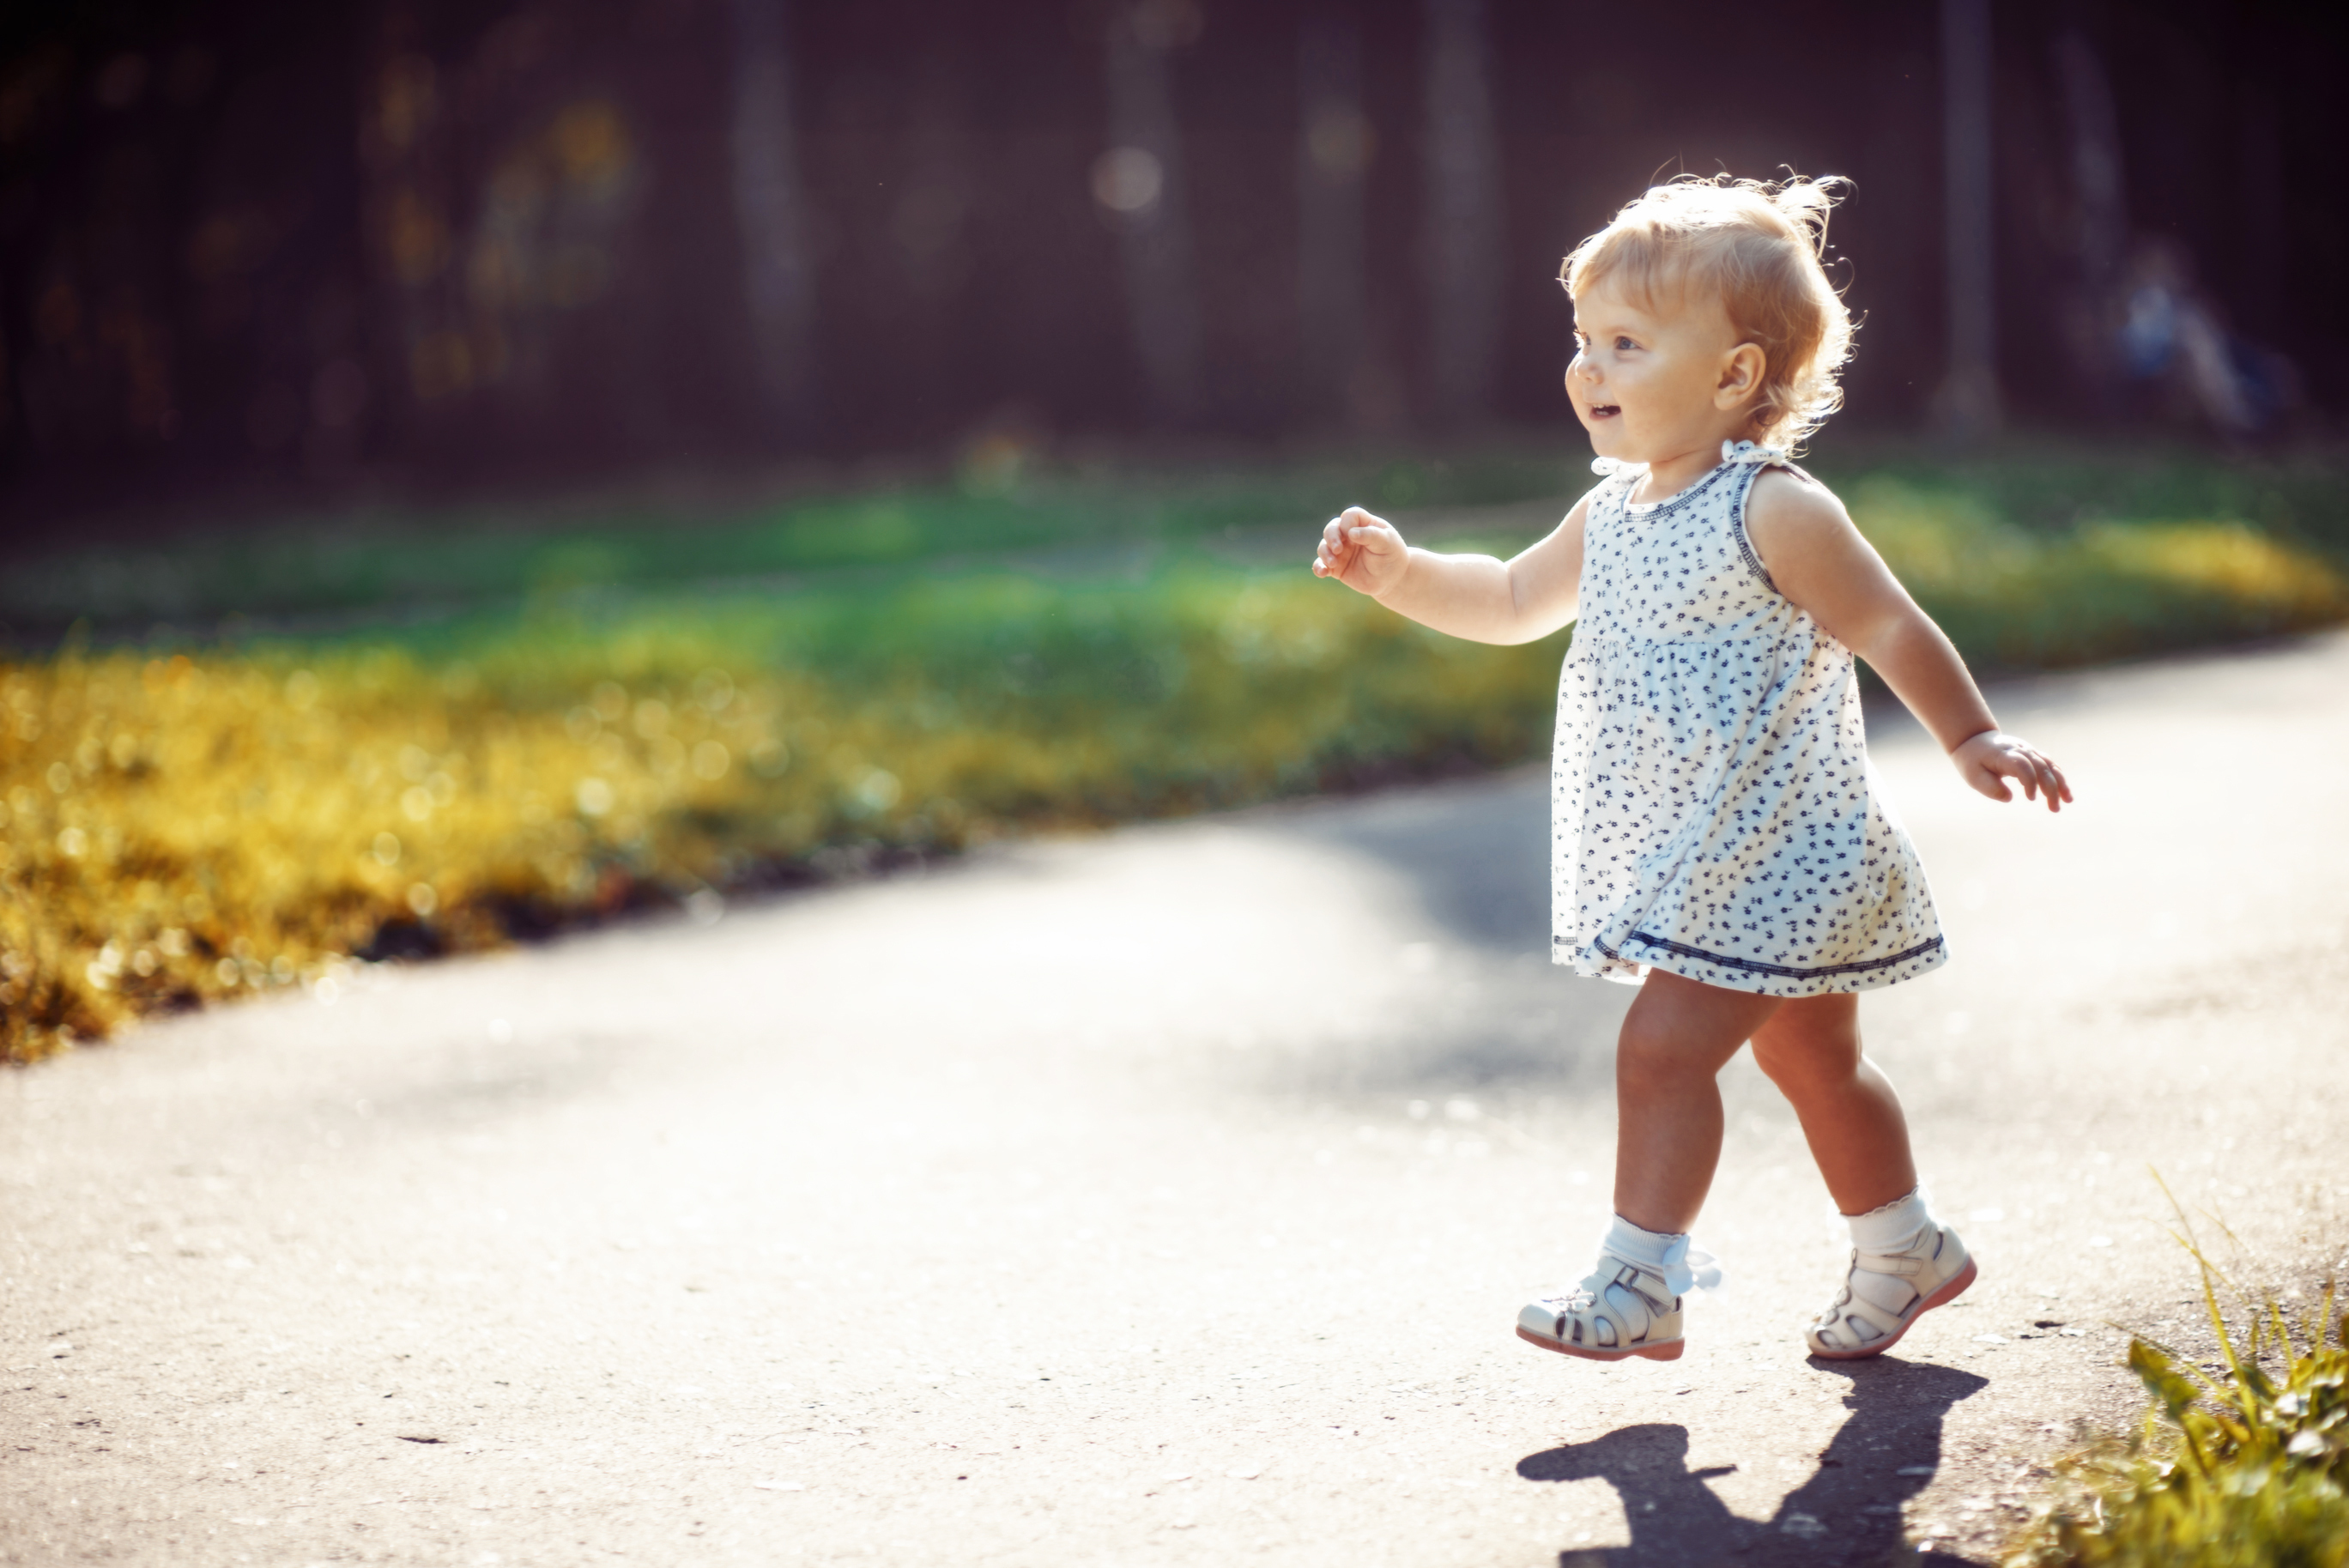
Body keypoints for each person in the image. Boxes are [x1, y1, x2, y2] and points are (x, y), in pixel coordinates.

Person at [1310, 175, 2072, 1363]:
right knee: (1815, 1062)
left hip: (1780, 852)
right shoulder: (1610, 512)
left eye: (1624, 343)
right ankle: (1905, 1243)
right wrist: (1401, 574)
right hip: (1707, 856)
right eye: (1581, 341)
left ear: (1730, 377)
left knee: (1663, 1051)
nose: (1587, 369)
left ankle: (1641, 1280)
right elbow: (1512, 599)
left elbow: (1884, 625)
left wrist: (1969, 736)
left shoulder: (1774, 510)